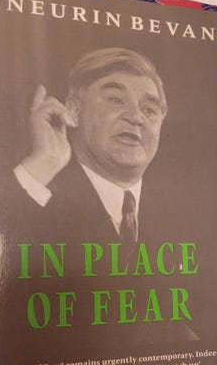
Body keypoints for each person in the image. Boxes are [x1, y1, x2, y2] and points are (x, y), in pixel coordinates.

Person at [12, 47, 168, 254]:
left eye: (149, 109)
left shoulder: (179, 215)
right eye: (116, 100)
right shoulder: (36, 193)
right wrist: (44, 162)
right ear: (74, 111)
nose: (136, 117)